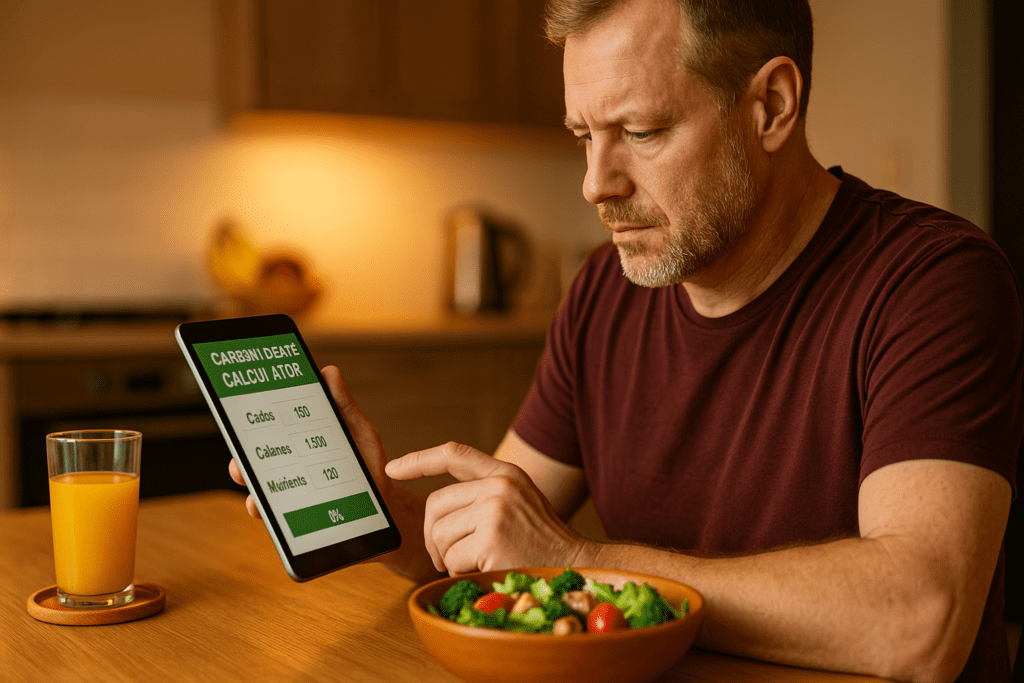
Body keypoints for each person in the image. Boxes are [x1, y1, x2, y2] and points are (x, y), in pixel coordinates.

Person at [231, 0, 1021, 680]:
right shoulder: (605, 291)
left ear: (772, 106)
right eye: (583, 134)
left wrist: (584, 563)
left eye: (639, 131)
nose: (595, 183)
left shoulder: (932, 281)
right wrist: (379, 512)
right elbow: (504, 541)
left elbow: (924, 619)